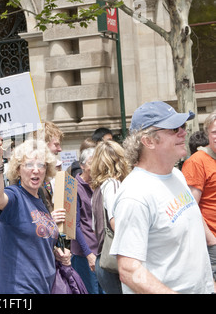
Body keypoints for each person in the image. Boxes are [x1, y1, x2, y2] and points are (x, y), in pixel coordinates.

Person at [110, 100, 214, 293]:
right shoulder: (135, 194)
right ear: (148, 141)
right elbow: (129, 270)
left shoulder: (177, 175)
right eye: (174, 129)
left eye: (182, 126)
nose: (184, 132)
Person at [0, 136, 70, 293]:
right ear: (18, 169)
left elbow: (36, 242)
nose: (36, 170)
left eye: (41, 165)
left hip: (45, 287)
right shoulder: (15, 196)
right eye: (29, 165)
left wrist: (58, 254)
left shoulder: (40, 200)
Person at [90, 140, 130, 294]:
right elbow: (116, 223)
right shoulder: (113, 184)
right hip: (116, 262)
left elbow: (96, 228)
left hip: (104, 260)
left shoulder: (97, 190)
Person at [181, 111, 216, 285]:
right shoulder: (197, 162)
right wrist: (211, 240)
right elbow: (190, 208)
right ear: (207, 134)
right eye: (214, 132)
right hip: (210, 244)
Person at [70, 147, 103, 294]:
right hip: (85, 253)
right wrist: (88, 254)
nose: (95, 165)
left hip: (102, 251)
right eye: (91, 162)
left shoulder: (100, 184)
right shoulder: (73, 187)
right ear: (82, 166)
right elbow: (75, 225)